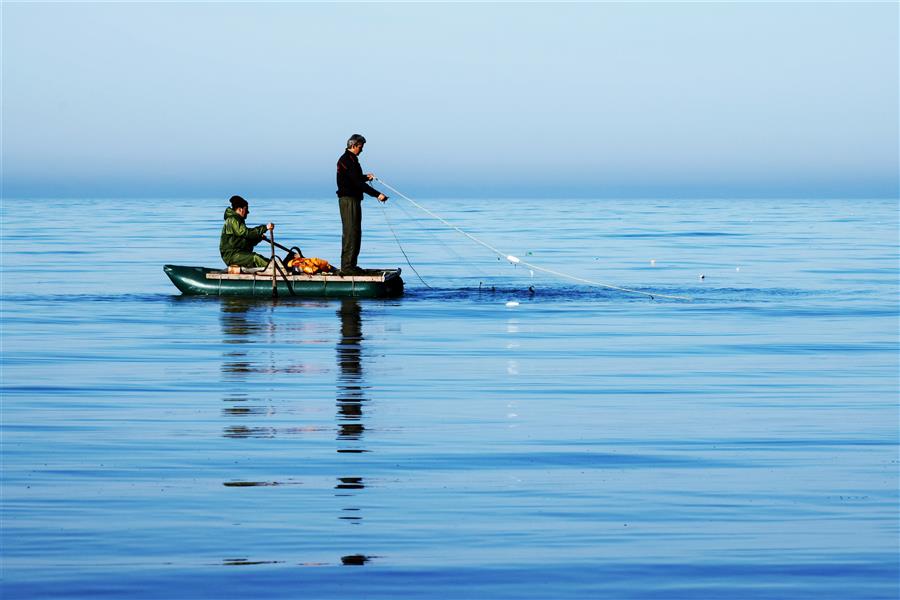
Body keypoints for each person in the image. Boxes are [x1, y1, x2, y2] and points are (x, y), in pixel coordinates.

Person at [336, 134, 388, 275]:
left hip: (353, 199)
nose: (362, 150)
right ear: (353, 146)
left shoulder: (352, 160)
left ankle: (351, 265)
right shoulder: (346, 159)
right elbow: (357, 183)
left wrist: (366, 177)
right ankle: (347, 267)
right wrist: (378, 194)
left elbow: (356, 178)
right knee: (351, 232)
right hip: (348, 200)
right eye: (360, 147)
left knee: (356, 232)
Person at [219, 195, 274, 268]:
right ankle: (277, 269)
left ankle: (277, 267)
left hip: (239, 253)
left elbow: (245, 242)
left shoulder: (238, 220)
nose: (248, 212)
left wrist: (258, 238)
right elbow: (247, 233)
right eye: (246, 209)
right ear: (240, 209)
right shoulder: (233, 220)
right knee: (255, 258)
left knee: (258, 258)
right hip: (231, 255)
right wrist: (265, 227)